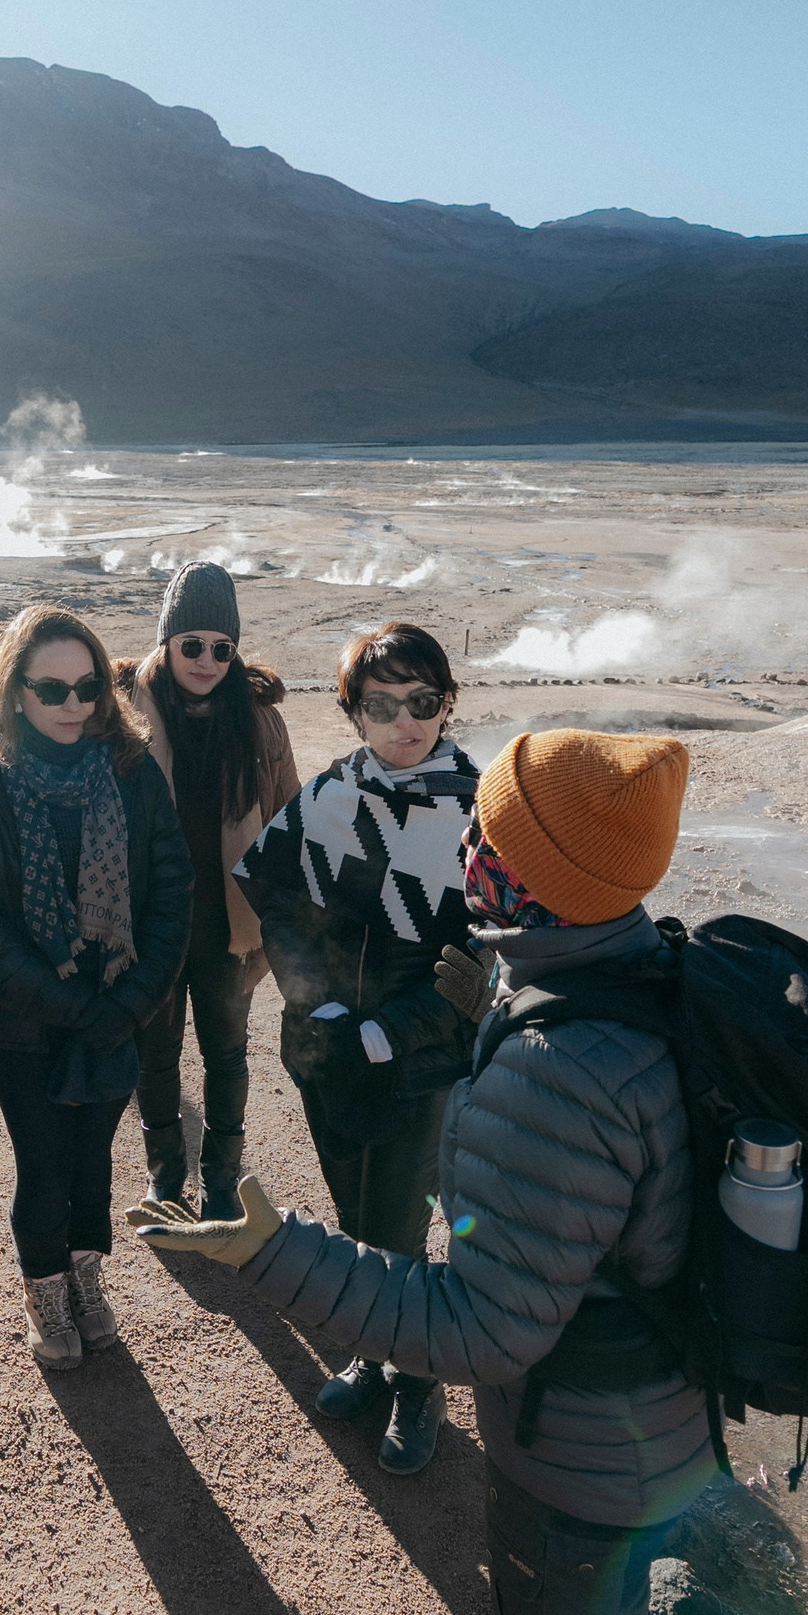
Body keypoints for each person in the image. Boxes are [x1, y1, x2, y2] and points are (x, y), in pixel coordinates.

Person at [137, 728, 713, 1615]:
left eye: (487, 835)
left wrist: (275, 1251)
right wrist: (495, 1007)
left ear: (536, 872)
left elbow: (480, 1326)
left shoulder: (553, 1072)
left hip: (576, 1448)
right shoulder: (637, 970)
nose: (464, 851)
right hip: (647, 1412)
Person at [234, 620, 483, 1477]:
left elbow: (479, 961)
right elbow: (273, 899)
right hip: (327, 1050)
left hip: (423, 1064)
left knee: (400, 1218)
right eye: (382, 705)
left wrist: (387, 1031)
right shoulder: (330, 797)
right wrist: (322, 1007)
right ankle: (374, 1353)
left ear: (447, 704)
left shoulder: (480, 813)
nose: (405, 721)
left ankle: (417, 1380)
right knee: (352, 1208)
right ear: (353, 712)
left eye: (423, 701)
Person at [0, 605, 192, 1371]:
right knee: (44, 1164)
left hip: (117, 1006)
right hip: (24, 1020)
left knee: (92, 1161)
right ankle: (44, 1290)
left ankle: (86, 1277)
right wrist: (78, 1007)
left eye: (88, 687)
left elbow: (172, 891)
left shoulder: (132, 768)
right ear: (15, 691)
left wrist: (131, 1002)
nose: (74, 705)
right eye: (52, 690)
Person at [119, 562, 300, 1219]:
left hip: (230, 926)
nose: (206, 661)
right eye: (192, 644)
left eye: (222, 649)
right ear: (167, 641)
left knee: (226, 1055)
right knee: (155, 1055)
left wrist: (286, 923)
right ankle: (165, 1176)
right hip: (152, 925)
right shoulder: (125, 714)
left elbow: (288, 823)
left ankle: (222, 1179)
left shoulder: (258, 721)